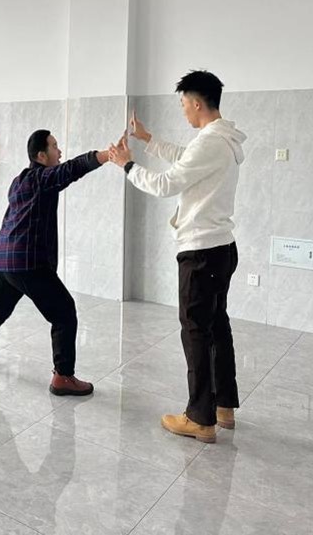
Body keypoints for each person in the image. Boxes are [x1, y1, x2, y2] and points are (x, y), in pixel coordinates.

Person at [108, 70, 246, 444]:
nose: (183, 110)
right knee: (217, 326)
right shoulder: (222, 139)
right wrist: (148, 139)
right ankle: (223, 406)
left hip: (201, 252)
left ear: (197, 103)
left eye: (184, 103)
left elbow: (166, 183)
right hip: (221, 248)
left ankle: (200, 418)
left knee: (196, 331)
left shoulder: (211, 142)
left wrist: (127, 165)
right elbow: (185, 158)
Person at [0, 129, 110, 396]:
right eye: (54, 146)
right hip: (28, 262)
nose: (59, 151)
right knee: (64, 312)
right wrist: (106, 155)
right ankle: (63, 376)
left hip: (3, 259)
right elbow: (72, 169)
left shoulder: (18, 180)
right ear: (41, 155)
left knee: (0, 306)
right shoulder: (43, 177)